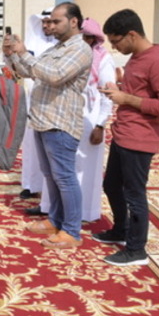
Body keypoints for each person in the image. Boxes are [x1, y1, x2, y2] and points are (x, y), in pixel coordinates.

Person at [95, 9, 159, 266]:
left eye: (116, 41)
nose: (115, 47)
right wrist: (118, 91)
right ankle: (120, 230)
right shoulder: (136, 57)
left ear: (131, 34)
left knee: (134, 195)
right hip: (124, 133)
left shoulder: (158, 60)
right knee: (111, 186)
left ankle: (136, 250)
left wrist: (126, 98)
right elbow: (139, 93)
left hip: (140, 138)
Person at [3, 2, 92, 249]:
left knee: (64, 178)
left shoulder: (80, 49)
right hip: (44, 121)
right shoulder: (57, 48)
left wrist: (24, 54)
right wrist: (11, 55)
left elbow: (55, 75)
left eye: (56, 21)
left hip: (60, 122)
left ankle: (71, 231)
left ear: (73, 22)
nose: (50, 25)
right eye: (49, 21)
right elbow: (29, 72)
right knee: (51, 176)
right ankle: (56, 220)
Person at [38, 18, 116, 222]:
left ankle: (80, 215)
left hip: (91, 117)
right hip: (64, 114)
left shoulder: (103, 59)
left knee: (82, 169)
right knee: (58, 169)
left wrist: (100, 124)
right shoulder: (66, 54)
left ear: (93, 39)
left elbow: (107, 94)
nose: (84, 40)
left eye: (87, 37)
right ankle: (55, 213)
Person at [12, 9, 56, 203]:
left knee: (52, 151)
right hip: (34, 102)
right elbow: (23, 71)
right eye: (43, 22)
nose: (46, 26)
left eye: (49, 22)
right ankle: (31, 185)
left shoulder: (63, 46)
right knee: (31, 148)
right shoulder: (33, 43)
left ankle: (49, 193)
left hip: (54, 104)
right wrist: (11, 55)